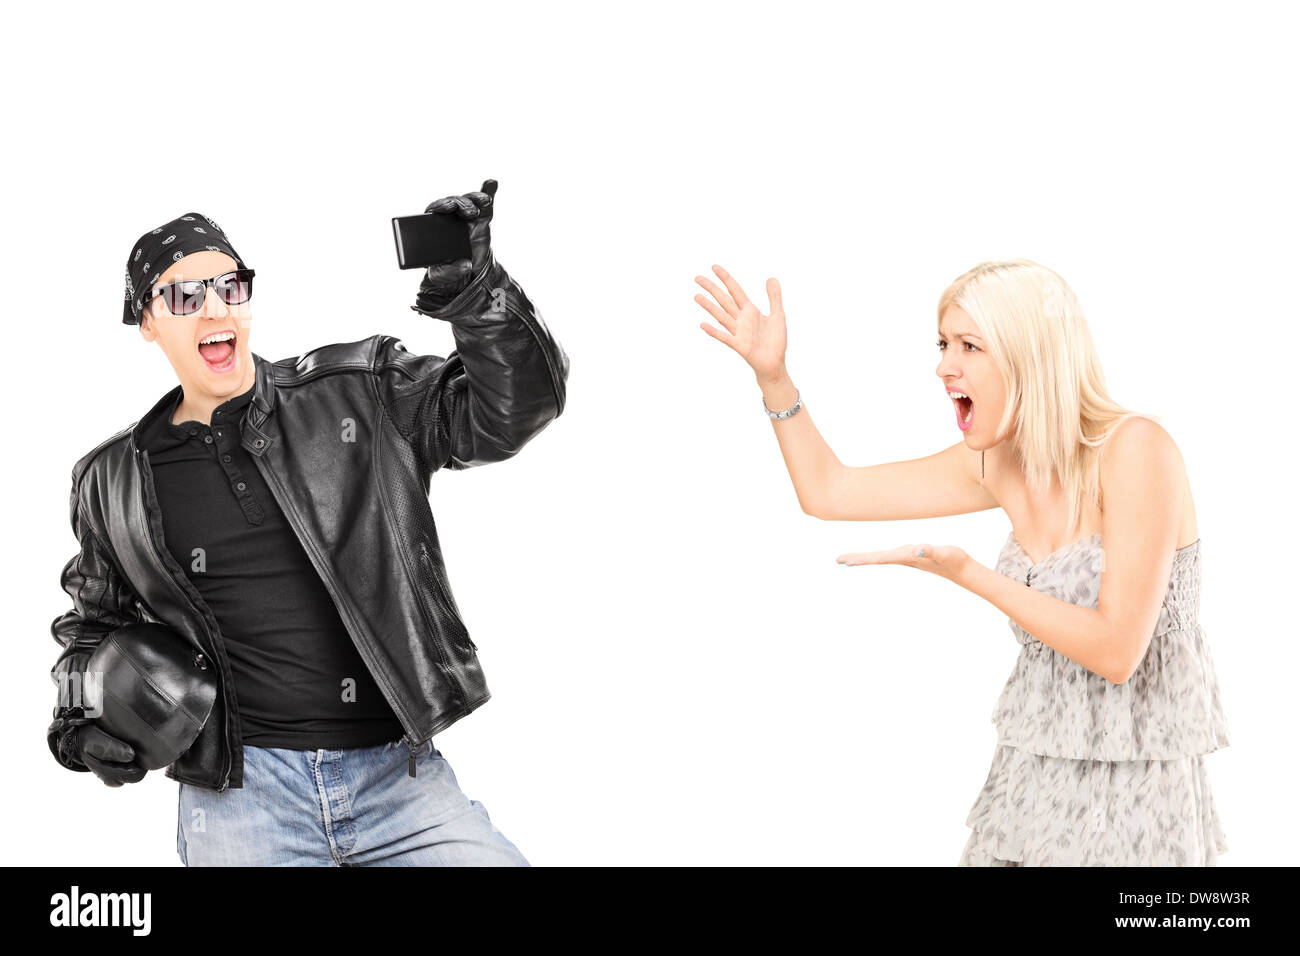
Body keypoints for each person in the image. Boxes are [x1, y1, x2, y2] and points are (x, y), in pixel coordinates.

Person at [46, 181, 570, 866]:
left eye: (229, 287)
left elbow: (514, 410)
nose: (214, 307)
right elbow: (91, 627)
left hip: (400, 782)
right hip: (241, 799)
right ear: (147, 321)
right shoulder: (112, 477)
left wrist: (476, 291)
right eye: (183, 296)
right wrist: (78, 725)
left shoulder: (357, 392)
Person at [694, 259, 1229, 866]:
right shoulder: (997, 460)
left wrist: (970, 574)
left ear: (1030, 354)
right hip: (1034, 775)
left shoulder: (1135, 450)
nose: (945, 365)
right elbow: (829, 491)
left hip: (1137, 787)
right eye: (944, 343)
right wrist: (774, 378)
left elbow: (1117, 650)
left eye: (970, 346)